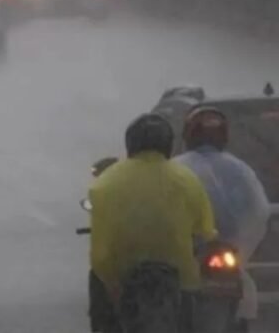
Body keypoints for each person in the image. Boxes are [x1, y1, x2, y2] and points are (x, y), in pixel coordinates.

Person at [88, 112, 217, 333]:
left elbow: (100, 255)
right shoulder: (187, 179)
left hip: (122, 277)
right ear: (168, 144)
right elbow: (205, 230)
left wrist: (111, 282)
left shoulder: (105, 184)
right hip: (182, 279)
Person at [172, 107, 270, 330]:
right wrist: (240, 246)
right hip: (227, 255)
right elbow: (258, 212)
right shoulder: (240, 169)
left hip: (189, 254)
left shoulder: (176, 168)